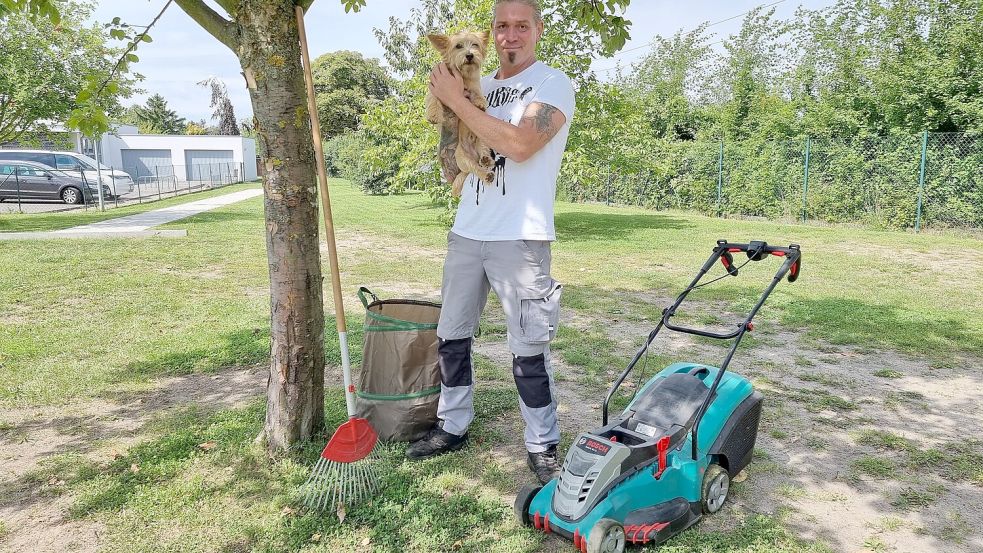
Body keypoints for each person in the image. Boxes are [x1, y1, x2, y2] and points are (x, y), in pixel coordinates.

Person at [405, 0, 576, 485]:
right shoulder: (478, 80)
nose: (510, 34)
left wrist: (457, 102)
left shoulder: (551, 84)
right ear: (491, 34)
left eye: (521, 25)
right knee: (452, 337)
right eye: (502, 26)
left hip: (520, 237)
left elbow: (520, 145)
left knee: (527, 348)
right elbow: (449, 153)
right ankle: (452, 425)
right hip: (467, 231)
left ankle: (542, 443)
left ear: (537, 31)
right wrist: (447, 126)